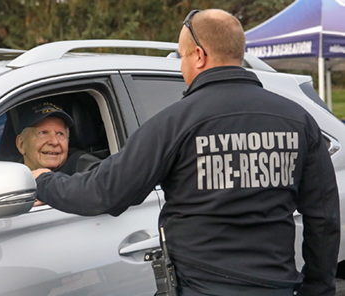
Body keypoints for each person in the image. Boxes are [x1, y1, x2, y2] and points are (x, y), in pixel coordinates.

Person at [32, 9, 340, 296]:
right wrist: (318, 289)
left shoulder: (175, 122)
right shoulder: (298, 121)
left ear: (200, 56)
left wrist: (45, 182)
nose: (181, 66)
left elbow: (105, 191)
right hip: (277, 287)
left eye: (182, 57)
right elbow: (324, 219)